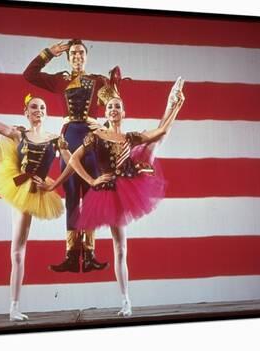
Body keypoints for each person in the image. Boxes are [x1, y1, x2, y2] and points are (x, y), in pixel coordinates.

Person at [0, 59, 73, 321]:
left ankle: (14, 307)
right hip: (13, 174)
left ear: (46, 113)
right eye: (34, 107)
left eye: (42, 107)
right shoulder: (19, 132)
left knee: (18, 249)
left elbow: (72, 163)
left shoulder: (55, 138)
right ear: (26, 112)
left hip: (31, 189)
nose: (38, 110)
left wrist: (53, 183)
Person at [68, 77, 185, 317]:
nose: (113, 109)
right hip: (107, 192)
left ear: (123, 112)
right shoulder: (96, 136)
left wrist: (176, 105)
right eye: (110, 106)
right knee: (118, 246)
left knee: (121, 248)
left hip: (128, 186)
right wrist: (91, 181)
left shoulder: (130, 137)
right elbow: (73, 159)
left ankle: (126, 301)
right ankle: (125, 300)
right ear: (106, 111)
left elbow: (161, 130)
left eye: (117, 106)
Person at [24, 39, 116, 273]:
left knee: (92, 193)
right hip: (70, 138)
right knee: (73, 194)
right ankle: (72, 255)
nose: (77, 57)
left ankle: (90, 253)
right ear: (68, 57)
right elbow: (30, 74)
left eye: (80, 53)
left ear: (86, 56)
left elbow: (116, 106)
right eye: (73, 53)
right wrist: (49, 53)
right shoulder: (59, 80)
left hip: (92, 140)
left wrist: (102, 124)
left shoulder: (99, 81)